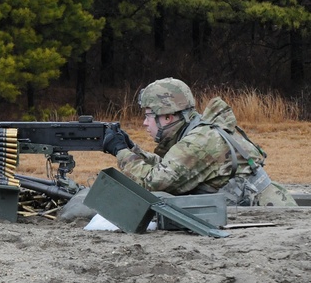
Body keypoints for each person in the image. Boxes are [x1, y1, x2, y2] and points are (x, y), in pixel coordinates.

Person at [101, 78, 296, 206]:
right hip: (265, 205)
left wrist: (120, 152)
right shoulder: (199, 132)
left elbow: (152, 182)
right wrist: (132, 149)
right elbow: (170, 169)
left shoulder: (198, 142)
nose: (144, 123)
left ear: (168, 117)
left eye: (149, 116)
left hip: (268, 212)